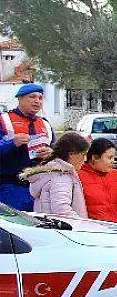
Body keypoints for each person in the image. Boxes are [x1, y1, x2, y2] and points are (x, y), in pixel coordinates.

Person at [0, 82, 55, 211]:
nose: (37, 101)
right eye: (32, 97)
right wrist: (12, 143)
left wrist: (50, 152)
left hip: (38, 187)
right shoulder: (4, 120)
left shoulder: (45, 124)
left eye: (40, 98)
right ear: (20, 98)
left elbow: (56, 150)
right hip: (8, 186)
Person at [20, 132, 89, 218]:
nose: (85, 159)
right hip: (64, 229)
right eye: (83, 154)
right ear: (71, 154)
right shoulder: (61, 176)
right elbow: (62, 209)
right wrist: (81, 226)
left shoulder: (51, 171)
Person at [79, 138, 117, 227]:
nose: (113, 161)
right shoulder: (78, 176)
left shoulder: (116, 176)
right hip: (92, 232)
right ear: (95, 157)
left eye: (114, 157)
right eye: (109, 157)